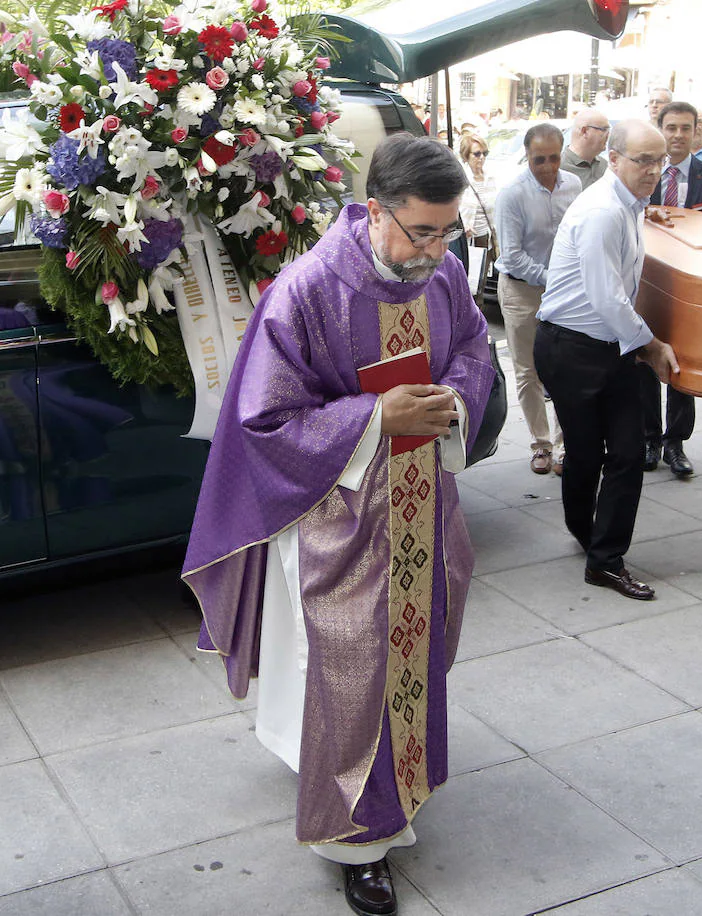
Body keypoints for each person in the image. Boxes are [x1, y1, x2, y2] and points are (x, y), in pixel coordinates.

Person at [182, 134, 493, 916]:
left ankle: (401, 781)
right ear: (376, 209)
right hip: (341, 520)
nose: (435, 250)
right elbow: (263, 421)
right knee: (353, 671)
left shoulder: (443, 272)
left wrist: (453, 401)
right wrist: (370, 417)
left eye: (448, 230)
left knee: (416, 655)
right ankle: (354, 842)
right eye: (421, 230)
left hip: (425, 502)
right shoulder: (308, 289)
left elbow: (474, 350)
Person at [534, 120, 679, 602]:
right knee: (587, 453)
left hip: (608, 345)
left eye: (659, 160)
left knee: (625, 453)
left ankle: (605, 558)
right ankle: (590, 537)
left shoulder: (627, 206)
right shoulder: (603, 210)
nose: (653, 170)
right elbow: (607, 297)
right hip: (572, 347)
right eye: (642, 160)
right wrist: (651, 344)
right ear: (613, 159)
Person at [642, 100, 702, 479]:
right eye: (671, 127)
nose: (678, 135)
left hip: (690, 285)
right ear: (660, 128)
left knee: (683, 362)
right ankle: (648, 439)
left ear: (697, 132)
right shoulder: (645, 176)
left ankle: (675, 443)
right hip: (649, 281)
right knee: (646, 359)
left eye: (685, 128)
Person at [494, 123, 580, 475]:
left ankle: (565, 446)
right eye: (538, 159)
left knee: (564, 368)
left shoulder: (573, 185)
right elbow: (511, 256)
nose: (547, 166)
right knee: (529, 370)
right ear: (526, 155)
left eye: (554, 158)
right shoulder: (512, 193)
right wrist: (553, 279)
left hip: (563, 291)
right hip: (521, 291)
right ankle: (540, 445)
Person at [458, 132, 499, 306]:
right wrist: (462, 227)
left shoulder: (491, 178)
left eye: (484, 153)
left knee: (479, 286)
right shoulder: (461, 179)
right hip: (467, 240)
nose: (481, 158)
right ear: (466, 156)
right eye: (476, 153)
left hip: (487, 240)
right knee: (466, 285)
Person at [561, 108, 611, 189]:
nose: (608, 135)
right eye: (604, 130)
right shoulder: (558, 169)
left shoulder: (605, 166)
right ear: (585, 131)